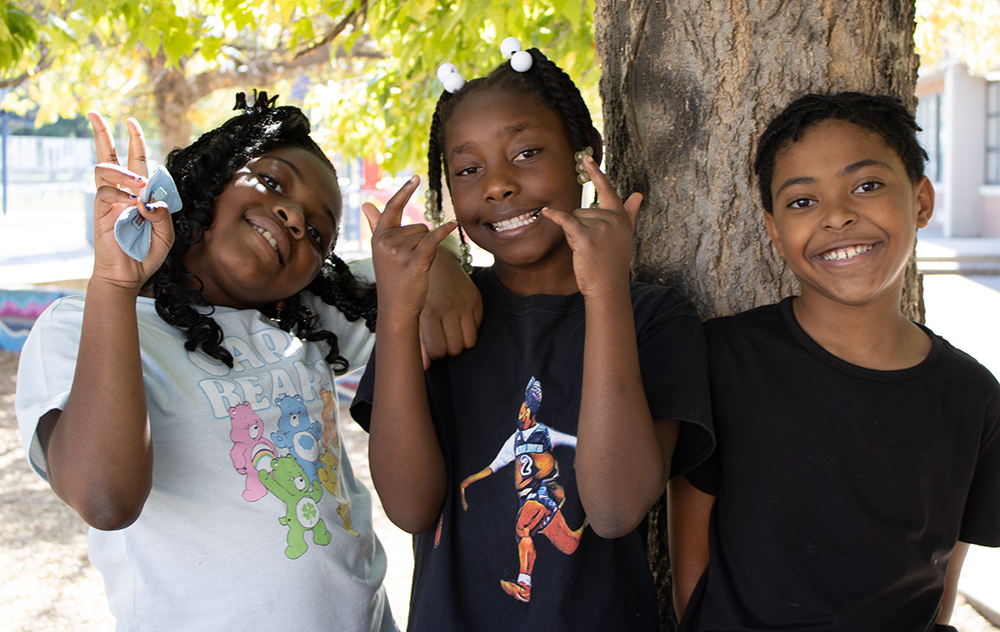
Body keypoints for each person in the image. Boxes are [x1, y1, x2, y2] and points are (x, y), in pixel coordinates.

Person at [15, 91, 481, 632]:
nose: (292, 215)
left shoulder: (304, 319)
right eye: (274, 182)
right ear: (211, 181)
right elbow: (105, 499)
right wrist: (117, 284)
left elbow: (411, 262)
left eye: (315, 232)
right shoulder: (87, 324)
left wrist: (442, 261)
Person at [350, 39, 714, 631]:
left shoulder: (654, 317)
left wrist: (605, 293)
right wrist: (397, 311)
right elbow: (410, 507)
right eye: (468, 169)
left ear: (582, 157)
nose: (496, 184)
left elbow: (617, 508)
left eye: (525, 153)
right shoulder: (434, 318)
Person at [668, 92, 1000, 632]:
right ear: (775, 231)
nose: (839, 216)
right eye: (802, 202)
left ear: (920, 200)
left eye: (867, 186)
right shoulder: (724, 360)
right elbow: (692, 572)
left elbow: (941, 577)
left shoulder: (972, 396)